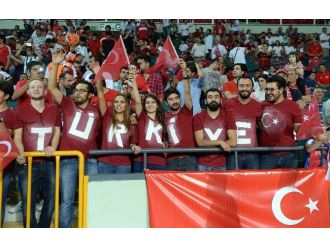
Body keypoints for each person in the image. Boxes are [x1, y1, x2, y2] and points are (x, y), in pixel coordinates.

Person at [47, 51, 101, 228]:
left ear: (89, 94)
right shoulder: (68, 105)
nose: (76, 93)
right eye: (75, 90)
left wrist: (98, 73)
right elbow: (52, 88)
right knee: (67, 200)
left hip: (91, 160)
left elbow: (102, 92)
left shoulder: (97, 110)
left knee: (92, 197)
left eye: (81, 90)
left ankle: (91, 228)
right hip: (68, 159)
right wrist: (56, 64)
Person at [13, 79, 61, 228]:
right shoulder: (20, 110)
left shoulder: (53, 109)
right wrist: (21, 154)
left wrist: (52, 147)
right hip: (28, 163)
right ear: (27, 91)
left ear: (45, 91)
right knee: (28, 201)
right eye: (32, 87)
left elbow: (57, 132)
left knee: (52, 198)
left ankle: (43, 230)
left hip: (49, 162)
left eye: (39, 87)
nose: (36, 89)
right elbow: (18, 137)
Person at [95, 74, 140, 174]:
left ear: (126, 105)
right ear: (113, 104)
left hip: (123, 164)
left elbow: (132, 142)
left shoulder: (132, 122)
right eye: (116, 102)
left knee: (121, 190)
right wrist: (98, 75)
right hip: (105, 163)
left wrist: (134, 146)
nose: (119, 104)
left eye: (122, 102)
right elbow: (101, 96)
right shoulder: (107, 117)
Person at [260, 75, 303, 169]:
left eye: (272, 89)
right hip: (266, 155)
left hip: (289, 155)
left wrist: (310, 129)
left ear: (281, 89)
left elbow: (299, 129)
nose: (268, 92)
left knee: (289, 184)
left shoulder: (293, 106)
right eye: (267, 89)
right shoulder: (261, 105)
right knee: (265, 183)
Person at [164, 59, 198, 171]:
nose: (174, 101)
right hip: (171, 158)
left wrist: (184, 74)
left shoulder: (187, 111)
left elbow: (187, 92)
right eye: (171, 99)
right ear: (166, 102)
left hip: (190, 157)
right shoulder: (164, 117)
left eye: (176, 98)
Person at [130, 68, 167, 172]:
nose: (150, 105)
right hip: (141, 160)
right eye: (147, 102)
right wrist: (134, 82)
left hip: (160, 161)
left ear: (158, 105)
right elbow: (137, 101)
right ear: (144, 105)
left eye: (153, 102)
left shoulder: (164, 120)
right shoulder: (142, 117)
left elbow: (166, 139)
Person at [193, 88, 237, 171]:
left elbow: (233, 141)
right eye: (210, 97)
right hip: (202, 164)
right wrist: (220, 142)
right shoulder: (198, 117)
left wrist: (214, 144)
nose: (213, 99)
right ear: (205, 101)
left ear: (221, 100)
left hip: (221, 164)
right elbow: (200, 142)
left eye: (216, 97)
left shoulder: (228, 116)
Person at [224, 77, 262, 170]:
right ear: (237, 87)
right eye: (241, 86)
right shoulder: (227, 104)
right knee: (232, 182)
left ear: (252, 87)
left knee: (253, 182)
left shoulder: (258, 106)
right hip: (232, 152)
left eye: (248, 86)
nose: (244, 88)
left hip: (252, 153)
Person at [0, 81, 15, 227]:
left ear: (7, 96)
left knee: (0, 198)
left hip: (4, 166)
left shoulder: (11, 114)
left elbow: (10, 137)